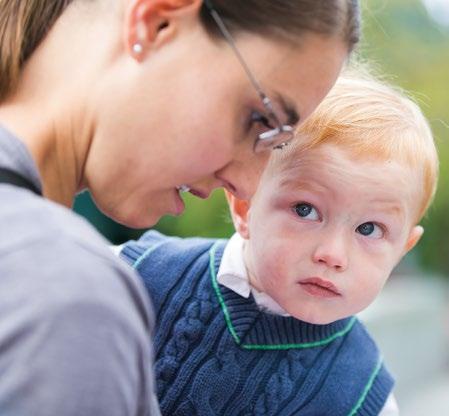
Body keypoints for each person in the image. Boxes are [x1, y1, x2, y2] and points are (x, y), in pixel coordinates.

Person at [0, 0, 360, 414]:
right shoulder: (69, 302)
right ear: (158, 23)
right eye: (260, 119)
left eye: (275, 145)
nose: (248, 185)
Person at [118, 73, 439, 415]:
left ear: (401, 250)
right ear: (245, 207)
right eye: (306, 210)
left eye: (370, 229)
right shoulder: (137, 272)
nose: (332, 255)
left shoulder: (363, 396)